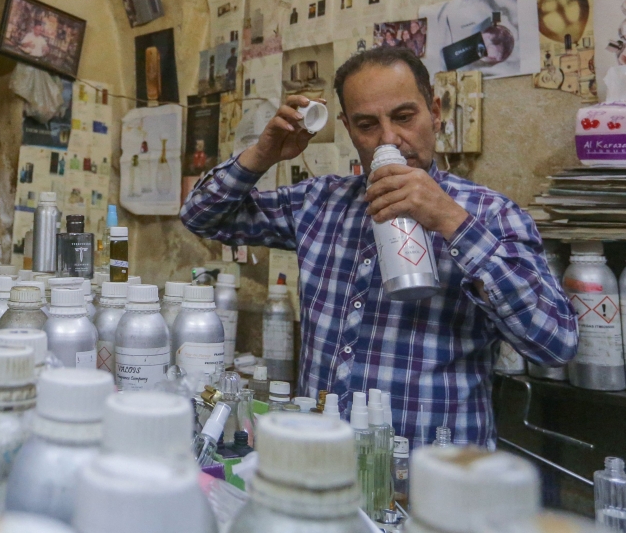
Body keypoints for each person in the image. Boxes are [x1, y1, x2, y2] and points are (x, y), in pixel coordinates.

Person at [180, 47, 577, 447]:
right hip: (325, 463)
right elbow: (201, 216)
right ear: (349, 130)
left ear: (435, 112)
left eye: (404, 117)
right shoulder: (320, 203)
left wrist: (451, 222)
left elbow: (554, 343)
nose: (389, 139)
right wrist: (261, 155)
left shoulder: (489, 214)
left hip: (433, 478)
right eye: (367, 124)